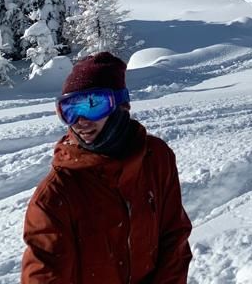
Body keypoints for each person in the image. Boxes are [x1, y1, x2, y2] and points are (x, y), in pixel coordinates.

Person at [21, 52, 192, 283]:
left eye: (94, 105)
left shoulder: (155, 158)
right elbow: (44, 275)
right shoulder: (56, 195)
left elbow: (174, 238)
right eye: (70, 110)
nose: (81, 121)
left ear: (121, 105)